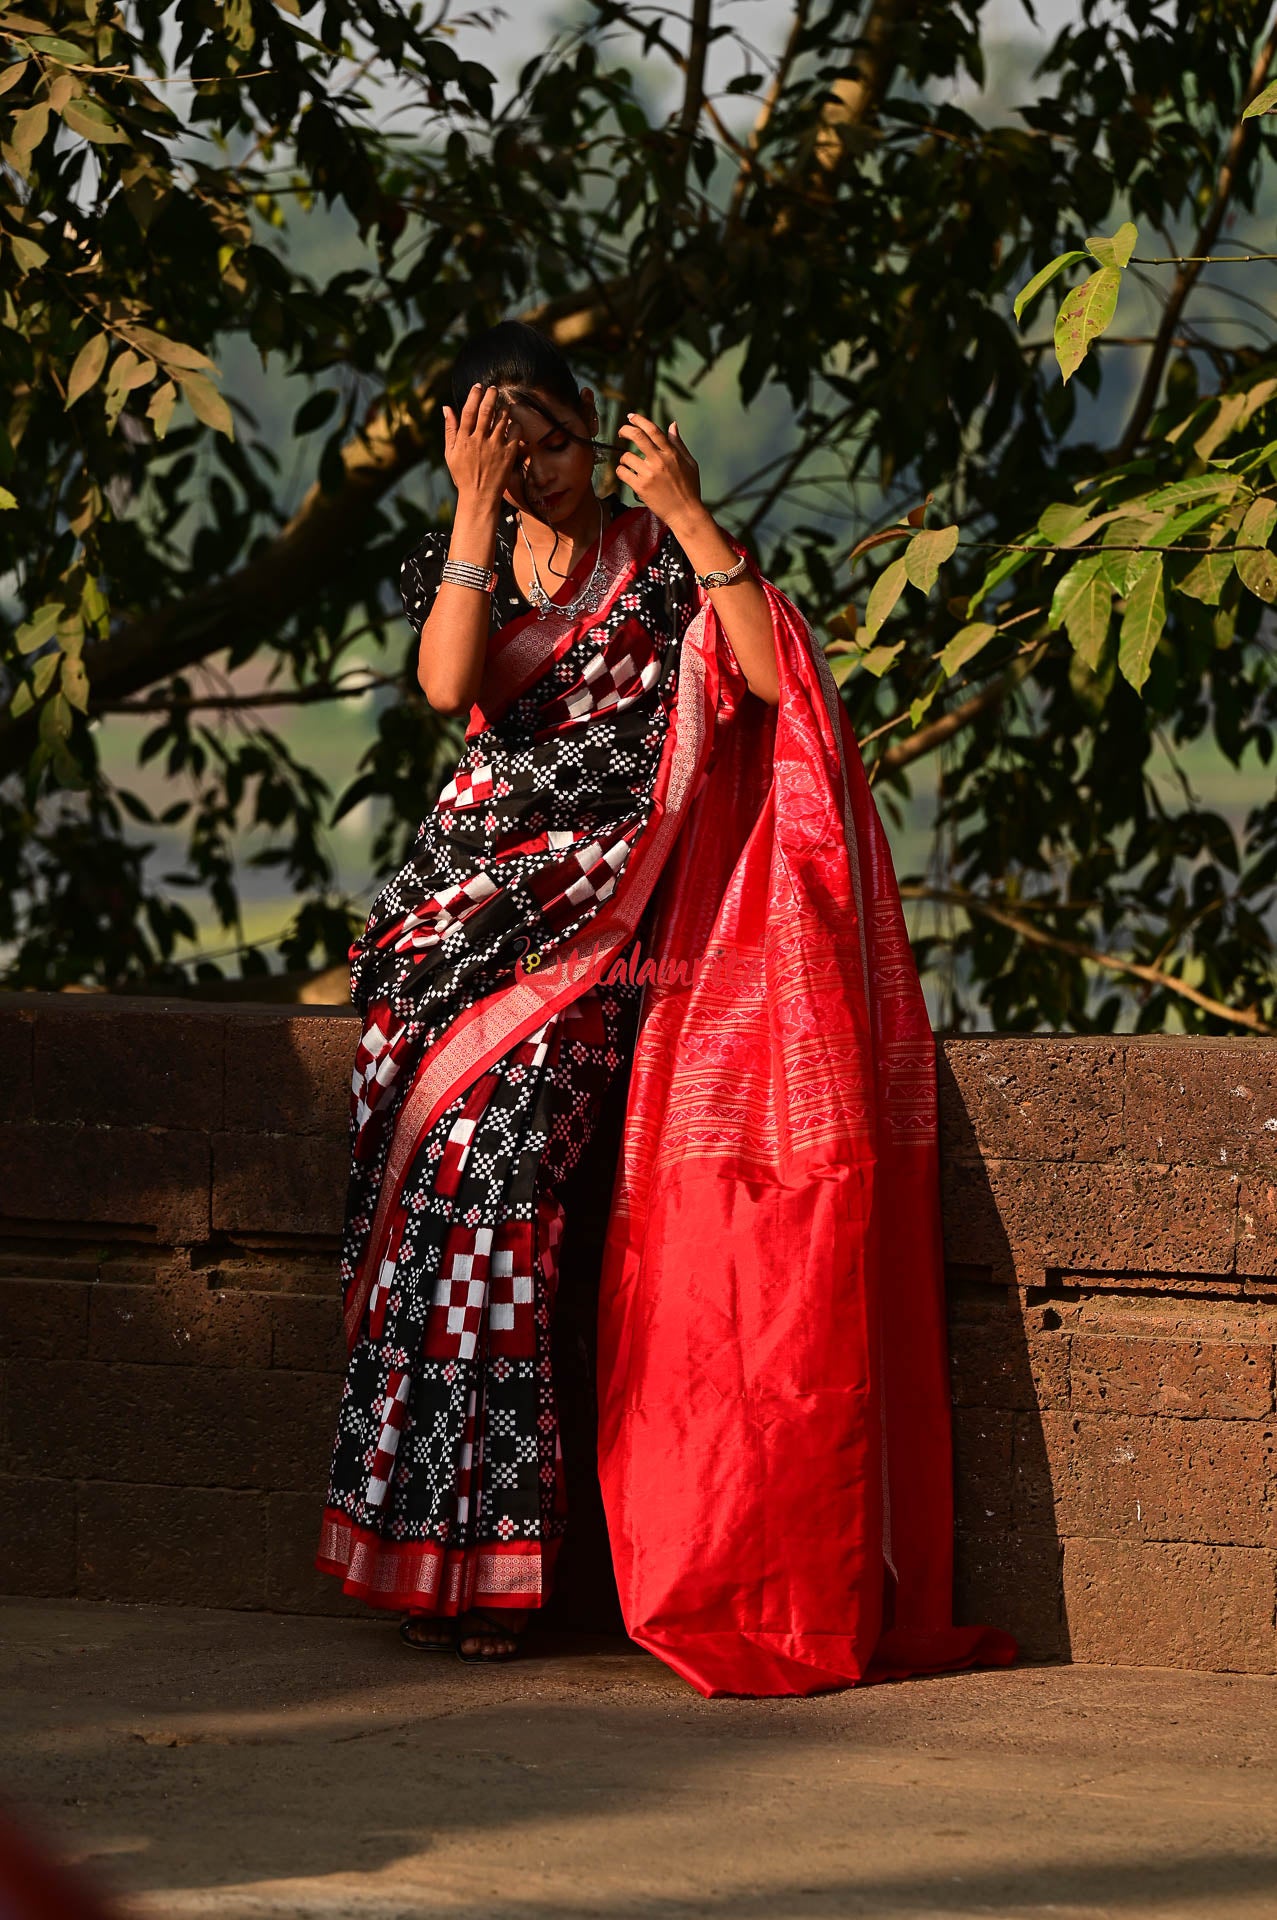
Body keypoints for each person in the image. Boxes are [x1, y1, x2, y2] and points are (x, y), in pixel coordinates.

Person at [316, 318, 1017, 1694]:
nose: (534, 471)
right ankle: (425, 1552)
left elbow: (766, 678)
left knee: (506, 1185)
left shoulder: (657, 563)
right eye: (500, 450)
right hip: (464, 921)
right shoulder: (461, 551)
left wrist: (691, 514)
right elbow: (451, 686)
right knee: (441, 1213)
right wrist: (471, 511)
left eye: (548, 443)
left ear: (590, 425)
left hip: (608, 931)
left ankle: (498, 1559)